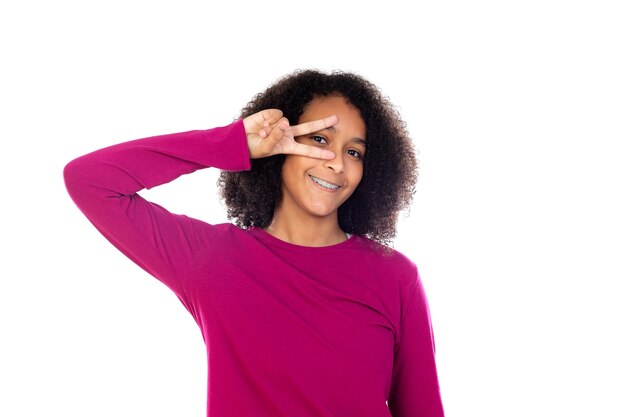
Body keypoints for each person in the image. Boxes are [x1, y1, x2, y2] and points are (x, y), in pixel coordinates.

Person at [64, 69, 445, 417]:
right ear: (281, 144)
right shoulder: (213, 260)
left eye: (354, 152)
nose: (337, 163)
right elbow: (91, 180)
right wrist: (232, 145)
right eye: (318, 139)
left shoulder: (395, 277)